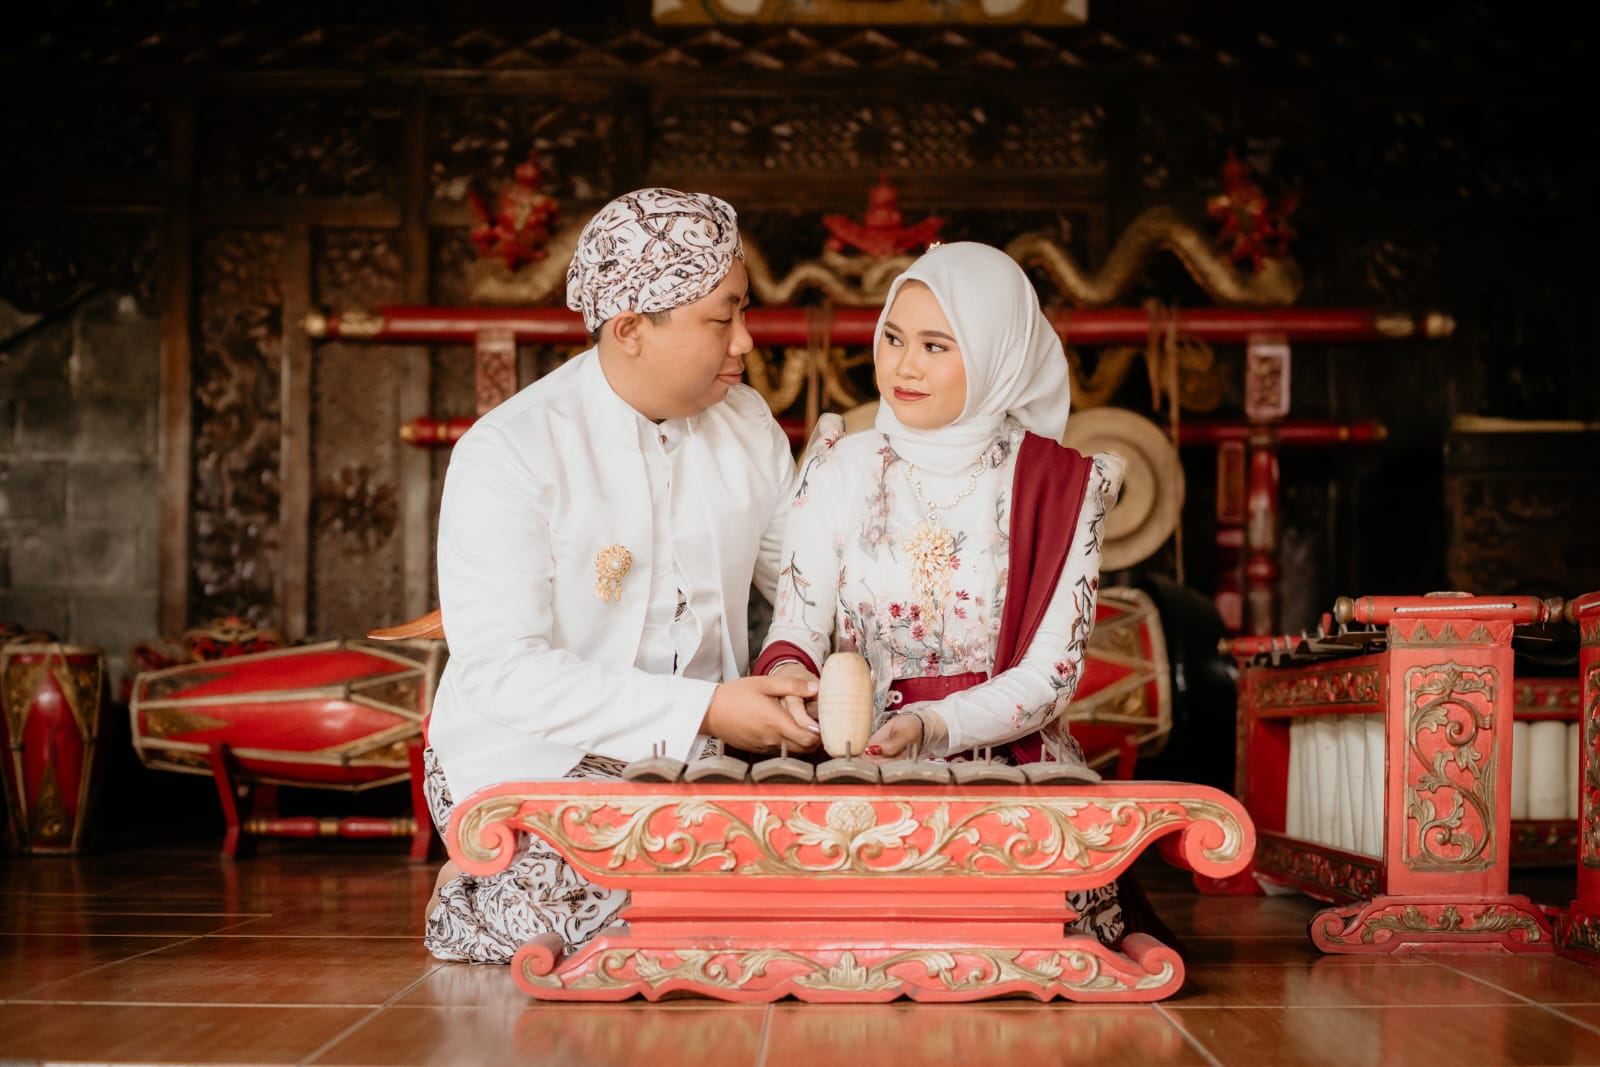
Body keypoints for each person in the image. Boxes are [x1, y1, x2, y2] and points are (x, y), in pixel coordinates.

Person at [423, 188, 820, 964]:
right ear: (631, 328)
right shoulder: (509, 451)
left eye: (744, 311)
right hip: (535, 755)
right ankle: (476, 889)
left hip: (705, 763)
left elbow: (801, 588)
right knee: (651, 911)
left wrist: (798, 668)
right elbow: (504, 673)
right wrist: (706, 707)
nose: (745, 340)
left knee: (831, 865)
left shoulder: (749, 427)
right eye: (722, 318)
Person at [753, 241, 1127, 944]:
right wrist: (797, 690)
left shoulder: (1060, 485)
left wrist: (932, 727)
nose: (904, 365)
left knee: (1009, 929)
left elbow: (1051, 676)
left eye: (935, 346)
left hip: (1001, 769)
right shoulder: (838, 464)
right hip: (851, 759)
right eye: (893, 338)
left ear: (995, 355)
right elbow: (796, 625)